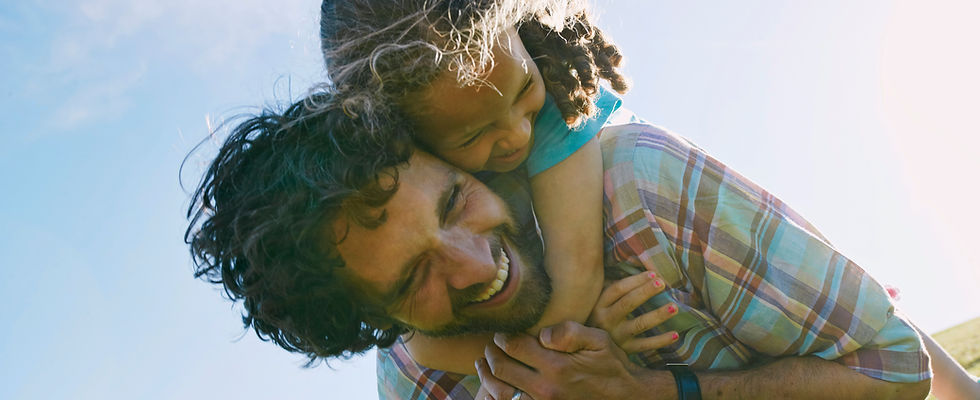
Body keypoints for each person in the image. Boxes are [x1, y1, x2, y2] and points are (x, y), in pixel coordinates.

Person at [186, 93, 932, 399]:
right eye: (417, 277)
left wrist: (656, 394)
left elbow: (897, 372)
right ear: (370, 320)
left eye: (455, 201)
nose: (480, 266)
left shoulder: (640, 189)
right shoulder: (414, 380)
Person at [318, 0, 637, 374]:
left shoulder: (558, 104)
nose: (518, 134)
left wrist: (568, 339)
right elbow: (427, 351)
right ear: (405, 140)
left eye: (523, 90)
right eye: (473, 136)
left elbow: (578, 276)